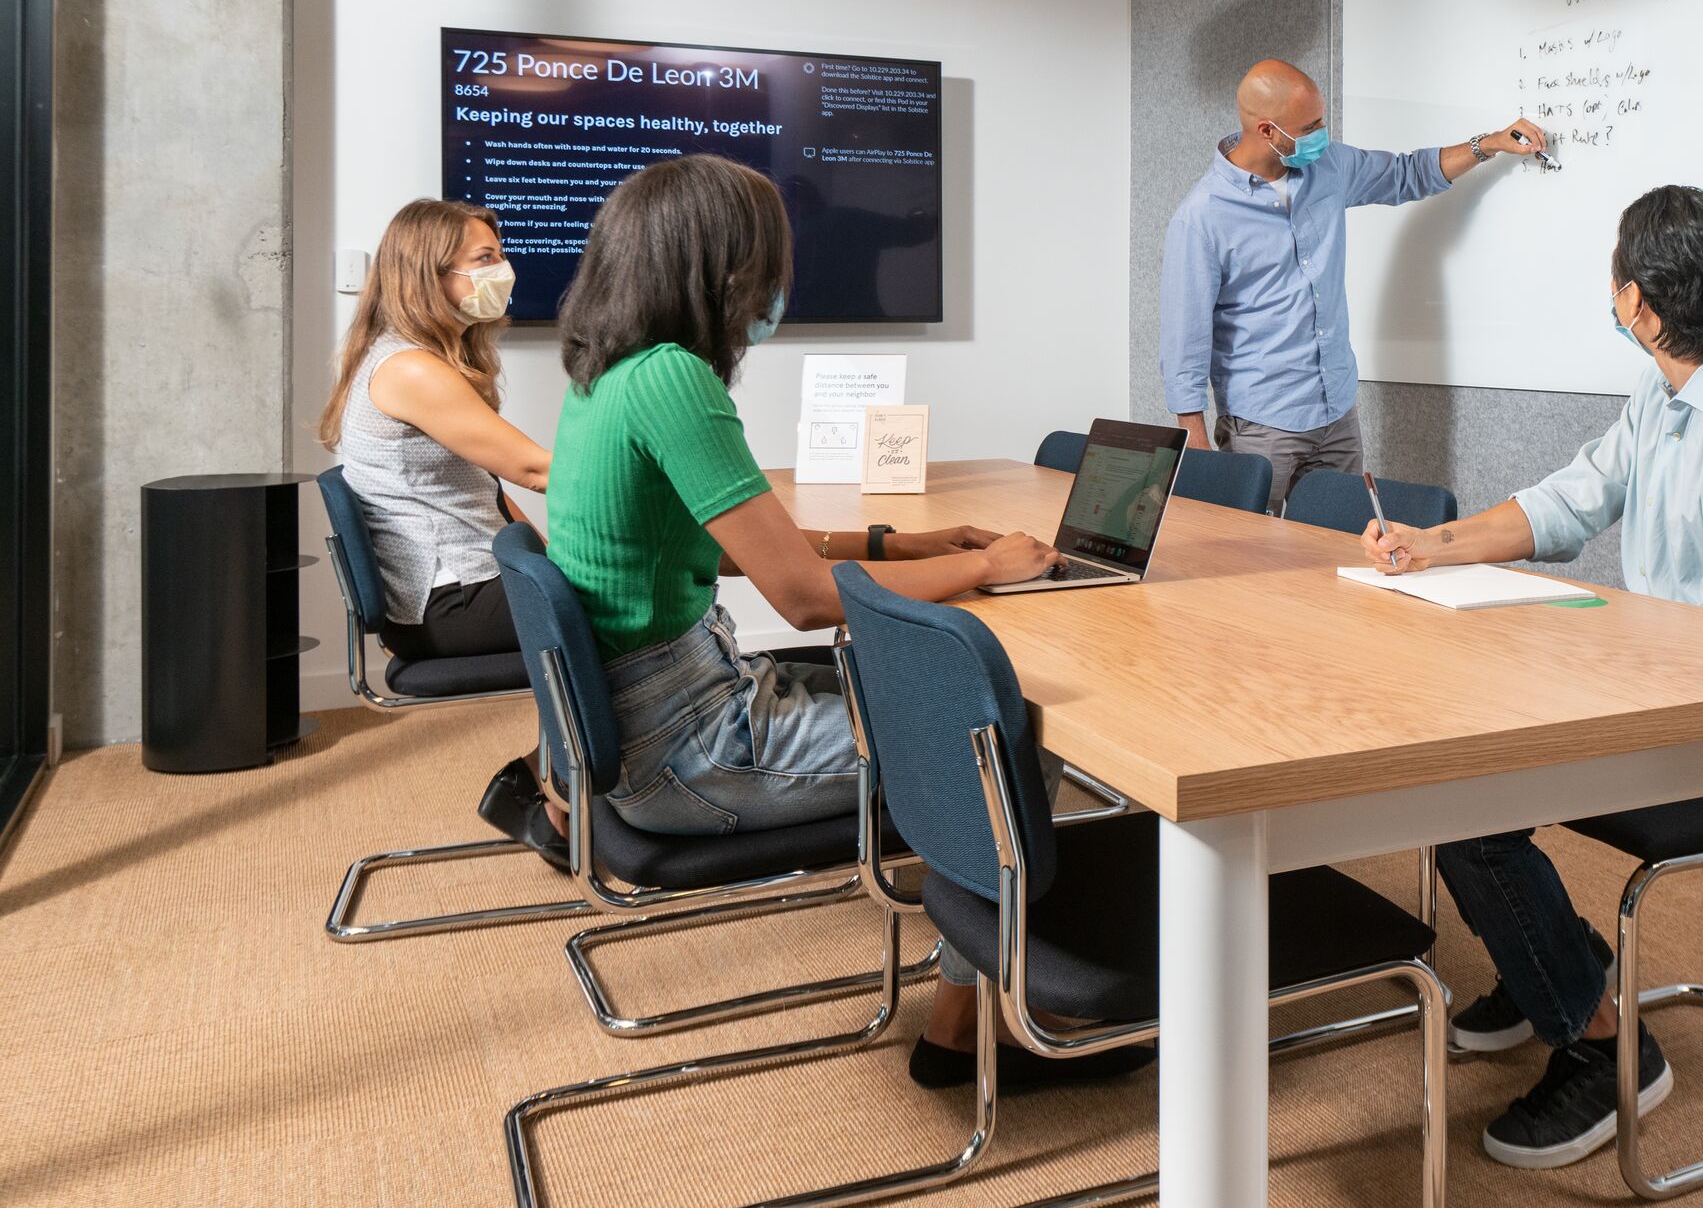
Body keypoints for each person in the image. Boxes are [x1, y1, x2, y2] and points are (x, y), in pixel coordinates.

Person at [539, 152, 1128, 1093]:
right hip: (694, 743)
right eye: (770, 259)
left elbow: (736, 540)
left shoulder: (607, 378)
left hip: (664, 712)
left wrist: (900, 541)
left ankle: (976, 998)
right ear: (721, 265)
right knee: (1003, 746)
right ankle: (974, 1019)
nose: (778, 281)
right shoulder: (675, 380)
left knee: (956, 709)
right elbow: (807, 598)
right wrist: (983, 566)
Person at [1360, 185, 1703, 1170]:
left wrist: (1560, 660)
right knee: (1450, 768)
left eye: (1616, 274)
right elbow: (1568, 502)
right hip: (1668, 677)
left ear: (1638, 300)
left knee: (1468, 794)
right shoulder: (1665, 398)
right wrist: (1435, 544)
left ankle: (1603, 1043)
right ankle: (1554, 966)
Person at [1159, 57, 1547, 512]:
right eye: (1312, 125)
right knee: (1254, 559)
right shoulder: (1202, 217)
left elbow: (1407, 174)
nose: (1323, 133)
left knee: (1341, 552)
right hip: (1262, 425)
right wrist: (1196, 440)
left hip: (1338, 411)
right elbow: (1184, 337)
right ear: (1267, 130)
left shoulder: (1329, 166)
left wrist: (1490, 144)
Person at [318, 198, 565, 862]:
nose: (503, 270)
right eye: (484, 260)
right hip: (447, 601)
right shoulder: (412, 371)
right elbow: (532, 466)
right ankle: (561, 798)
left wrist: (553, 560)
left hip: (459, 585)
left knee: (601, 593)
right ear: (429, 274)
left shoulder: (416, 357)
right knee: (633, 609)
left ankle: (556, 785)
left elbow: (489, 489)